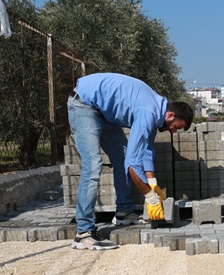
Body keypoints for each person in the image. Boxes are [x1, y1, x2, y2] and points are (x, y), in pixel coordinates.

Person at [67, 73, 193, 250]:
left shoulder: (156, 110)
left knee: (123, 155)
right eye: (176, 127)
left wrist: (153, 183)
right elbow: (133, 164)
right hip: (84, 104)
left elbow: (147, 150)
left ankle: (124, 211)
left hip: (103, 112)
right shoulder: (149, 112)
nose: (173, 132)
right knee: (93, 166)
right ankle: (84, 232)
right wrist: (150, 197)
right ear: (170, 115)